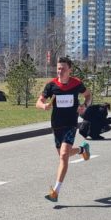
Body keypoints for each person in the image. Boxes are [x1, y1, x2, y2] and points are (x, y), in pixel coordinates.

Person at [37, 57, 92, 202]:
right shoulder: (51, 85)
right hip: (56, 125)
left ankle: (55, 191)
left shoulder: (76, 83)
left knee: (63, 155)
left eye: (63, 69)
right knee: (63, 155)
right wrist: (44, 106)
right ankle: (82, 150)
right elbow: (39, 101)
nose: (60, 71)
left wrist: (84, 106)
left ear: (70, 70)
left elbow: (88, 95)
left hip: (71, 123)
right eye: (58, 68)